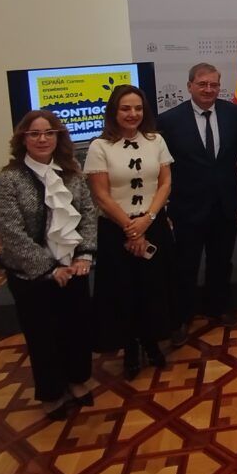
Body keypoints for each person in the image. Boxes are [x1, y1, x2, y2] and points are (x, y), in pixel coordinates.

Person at [0, 110, 98, 420]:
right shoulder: (8, 180)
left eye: (49, 133)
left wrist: (83, 255)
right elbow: (10, 232)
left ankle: (78, 379)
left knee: (76, 328)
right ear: (22, 139)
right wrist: (50, 269)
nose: (42, 139)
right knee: (43, 336)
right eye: (34, 133)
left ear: (58, 137)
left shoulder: (72, 174)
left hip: (74, 267)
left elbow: (88, 214)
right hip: (32, 275)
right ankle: (51, 393)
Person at [85, 84, 174, 378]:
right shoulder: (99, 146)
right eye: (125, 108)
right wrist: (132, 229)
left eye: (137, 108)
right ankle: (130, 347)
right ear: (114, 111)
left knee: (153, 287)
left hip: (153, 224)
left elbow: (165, 183)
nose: (132, 114)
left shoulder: (156, 140)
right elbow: (101, 195)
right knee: (123, 290)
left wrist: (148, 220)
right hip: (116, 229)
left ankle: (151, 341)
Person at [157, 63, 237, 340]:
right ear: (189, 86)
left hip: (225, 203)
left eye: (214, 85)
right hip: (188, 206)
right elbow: (162, 166)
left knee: (222, 260)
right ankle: (182, 317)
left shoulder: (234, 114)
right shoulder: (169, 120)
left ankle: (217, 307)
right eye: (202, 84)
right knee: (186, 264)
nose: (209, 89)